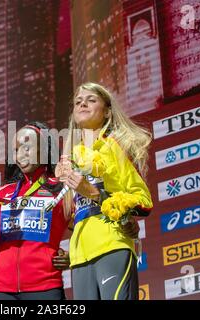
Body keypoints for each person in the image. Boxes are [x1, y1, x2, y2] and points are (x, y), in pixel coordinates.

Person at [57, 82, 153, 300]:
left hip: (112, 245)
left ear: (107, 111)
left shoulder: (115, 147)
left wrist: (93, 193)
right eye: (78, 101)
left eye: (91, 100)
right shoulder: (71, 157)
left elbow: (143, 201)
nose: (83, 104)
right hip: (80, 255)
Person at [0, 121, 70, 300]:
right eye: (16, 150)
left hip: (45, 285)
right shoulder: (4, 193)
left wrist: (74, 255)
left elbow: (84, 226)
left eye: (27, 147)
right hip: (1, 289)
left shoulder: (61, 188)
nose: (20, 155)